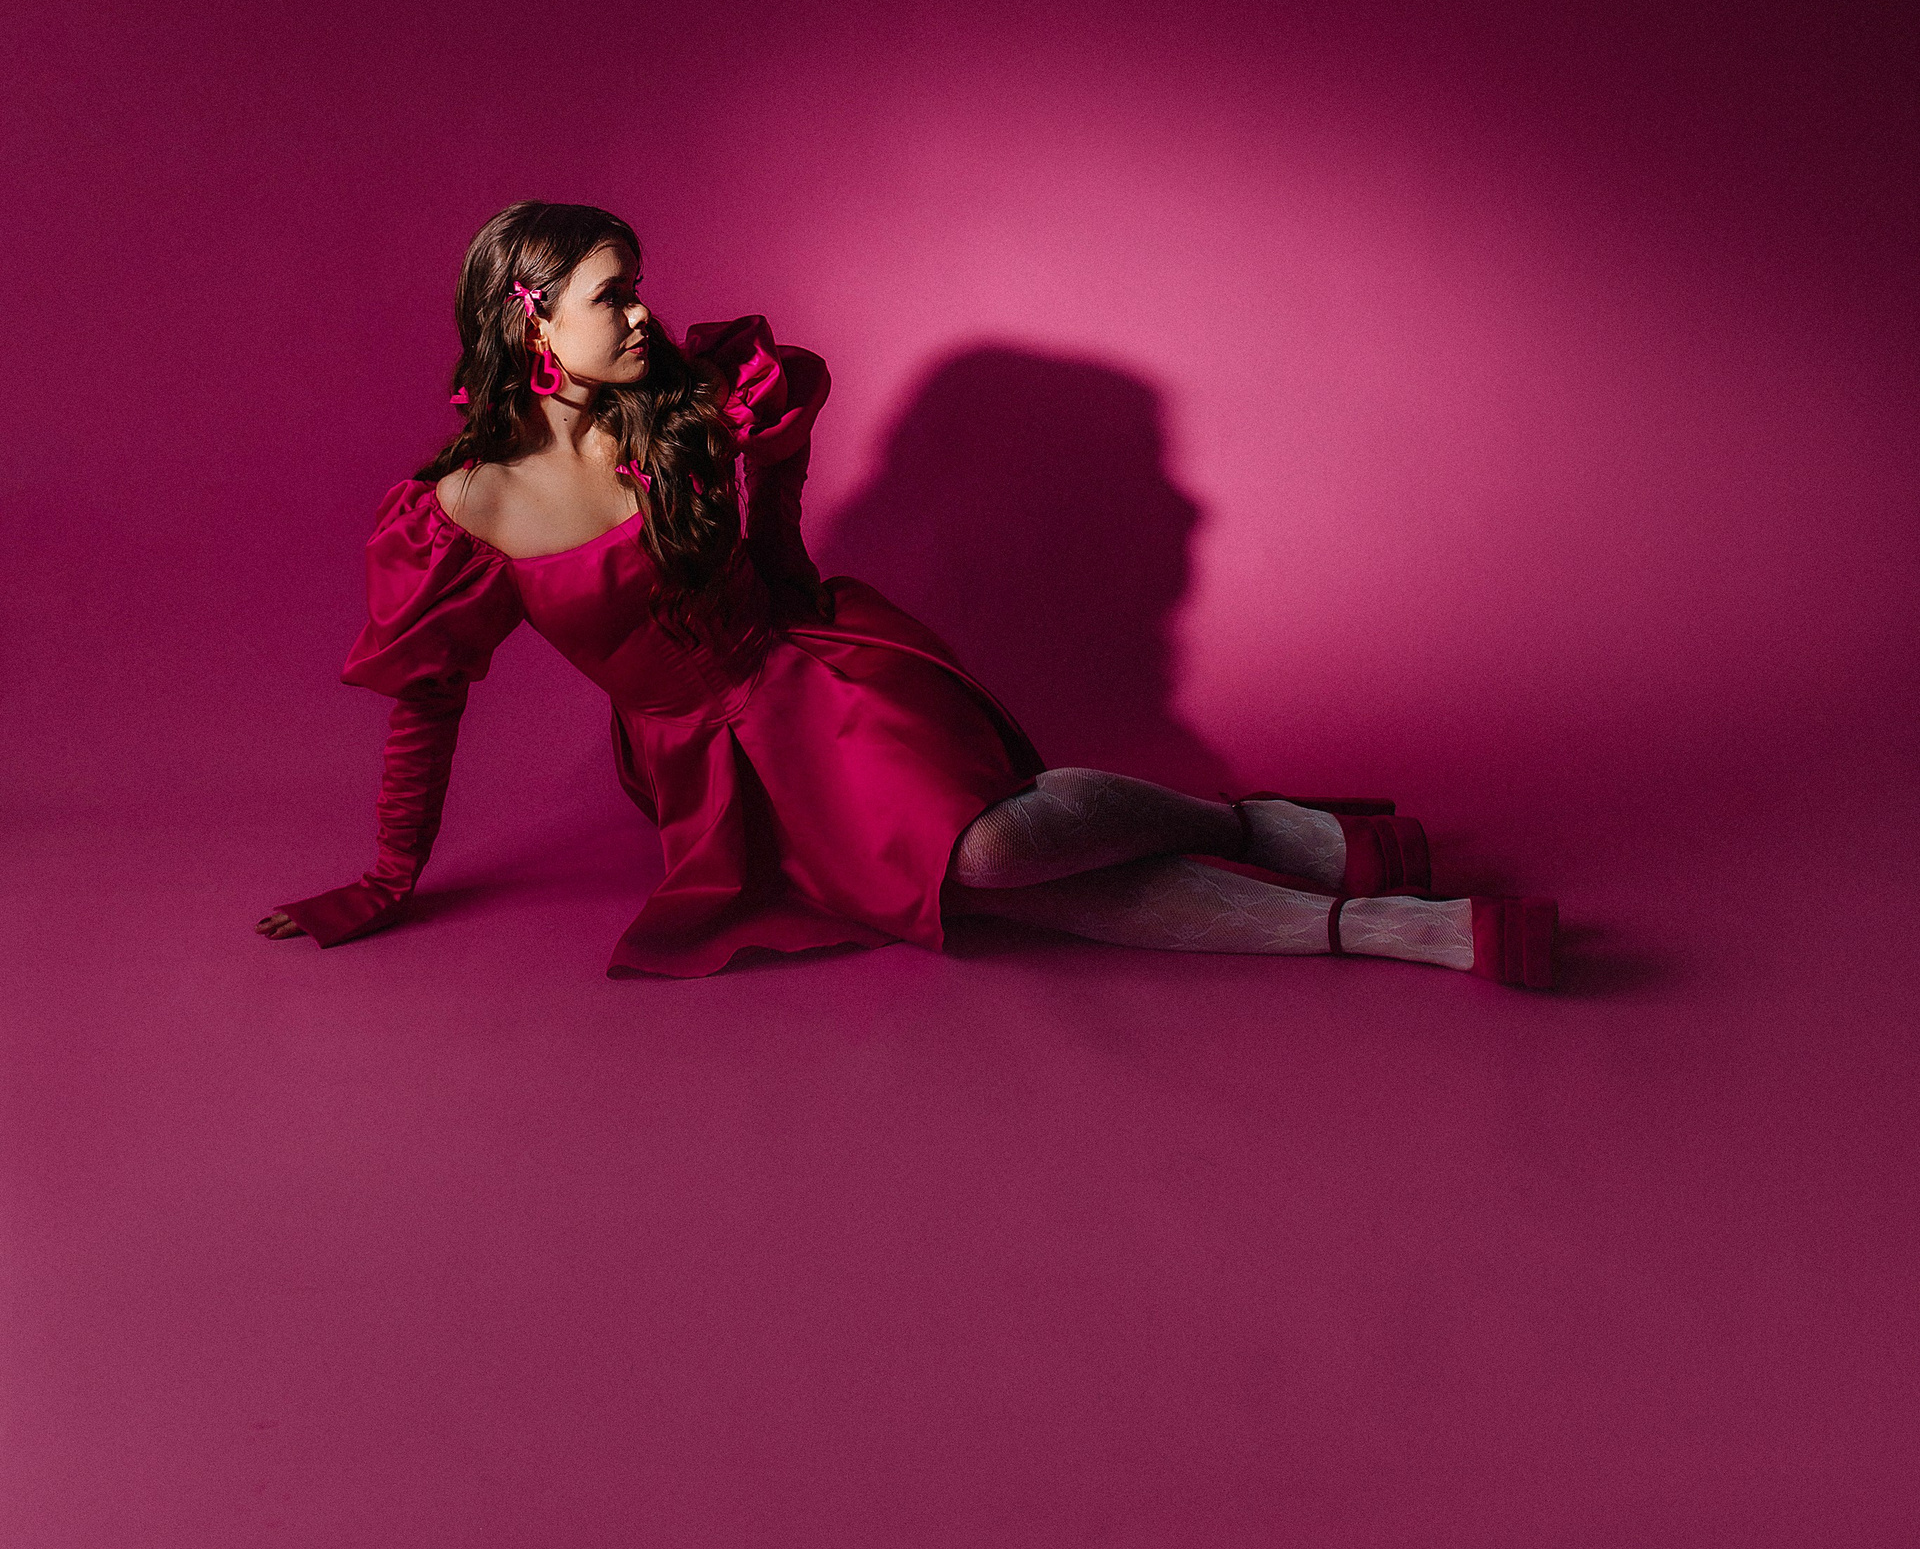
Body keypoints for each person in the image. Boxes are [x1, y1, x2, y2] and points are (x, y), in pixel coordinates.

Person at [259, 201, 1557, 987]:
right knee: (992, 894)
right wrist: (387, 878)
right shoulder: (459, 513)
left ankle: (1277, 839)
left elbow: (779, 520)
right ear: (532, 323)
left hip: (812, 686)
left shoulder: (689, 401)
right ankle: (1380, 915)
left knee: (990, 850)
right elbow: (427, 706)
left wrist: (765, 524)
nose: (645, 315)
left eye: (640, 287)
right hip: (707, 776)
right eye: (615, 296)